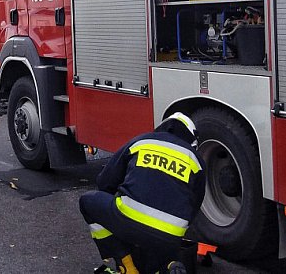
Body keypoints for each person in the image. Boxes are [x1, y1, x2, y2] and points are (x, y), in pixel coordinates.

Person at [79, 112, 206, 274]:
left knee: (87, 201)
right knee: (160, 236)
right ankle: (169, 263)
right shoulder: (195, 159)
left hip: (128, 220)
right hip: (171, 235)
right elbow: (195, 204)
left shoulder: (142, 141)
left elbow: (104, 182)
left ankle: (127, 265)